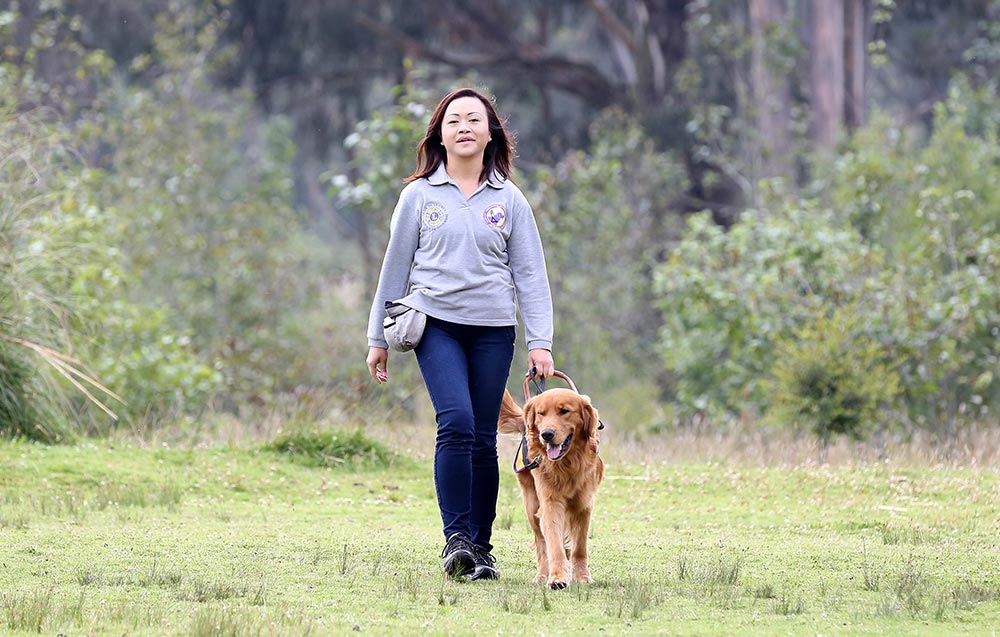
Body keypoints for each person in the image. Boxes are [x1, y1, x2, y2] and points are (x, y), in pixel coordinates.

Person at [365, 87, 554, 581]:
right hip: (435, 325)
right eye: (454, 121)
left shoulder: (509, 199)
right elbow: (394, 269)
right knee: (456, 421)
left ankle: (481, 548)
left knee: (481, 437)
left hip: (494, 329)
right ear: (440, 135)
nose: (464, 127)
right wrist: (377, 337)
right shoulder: (418, 196)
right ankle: (456, 541)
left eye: (474, 119)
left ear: (490, 132)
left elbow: (531, 274)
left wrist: (541, 341)